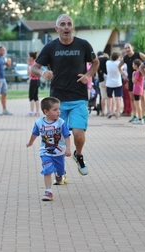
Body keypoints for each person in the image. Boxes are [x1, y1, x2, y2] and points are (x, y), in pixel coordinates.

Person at [31, 14, 99, 176]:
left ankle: (79, 155)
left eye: (69, 24)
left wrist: (87, 75)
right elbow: (34, 68)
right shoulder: (50, 47)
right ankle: (58, 170)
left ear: (72, 27)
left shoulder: (83, 45)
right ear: (57, 28)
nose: (66, 27)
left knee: (78, 134)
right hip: (57, 99)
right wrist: (42, 72)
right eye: (63, 24)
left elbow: (95, 62)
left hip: (78, 97)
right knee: (55, 138)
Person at [26, 97, 71, 201]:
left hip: (59, 152)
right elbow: (34, 134)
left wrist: (68, 149)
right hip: (45, 152)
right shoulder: (39, 123)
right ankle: (48, 191)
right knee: (48, 169)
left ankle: (59, 176)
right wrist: (30, 143)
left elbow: (67, 136)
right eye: (55, 110)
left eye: (59, 109)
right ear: (46, 112)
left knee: (59, 171)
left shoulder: (61, 123)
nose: (58, 112)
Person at [118, 43, 145, 122]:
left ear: (132, 47)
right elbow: (119, 67)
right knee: (132, 98)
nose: (127, 49)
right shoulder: (125, 58)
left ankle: (144, 116)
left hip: (140, 80)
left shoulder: (138, 54)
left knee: (143, 97)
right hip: (131, 79)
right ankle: (135, 115)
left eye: (128, 47)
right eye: (125, 48)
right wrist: (124, 75)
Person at [105, 52, 122, 118]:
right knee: (118, 98)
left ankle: (109, 111)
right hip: (118, 82)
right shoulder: (119, 63)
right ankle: (117, 112)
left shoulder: (108, 63)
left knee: (110, 97)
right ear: (118, 57)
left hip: (109, 82)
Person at [26, 52, 40, 116]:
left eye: (29, 56)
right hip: (37, 81)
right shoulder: (36, 64)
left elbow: (29, 73)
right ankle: (37, 111)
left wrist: (28, 65)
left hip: (33, 81)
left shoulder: (32, 65)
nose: (28, 58)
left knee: (31, 97)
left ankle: (31, 111)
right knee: (36, 97)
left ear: (31, 57)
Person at [131, 59, 145, 124]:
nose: (132, 66)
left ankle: (140, 118)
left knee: (137, 104)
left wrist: (132, 75)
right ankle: (139, 117)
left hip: (137, 89)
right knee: (138, 104)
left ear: (136, 65)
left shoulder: (137, 72)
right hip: (140, 89)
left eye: (133, 64)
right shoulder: (141, 72)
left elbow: (134, 81)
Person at [96, 51, 109, 116]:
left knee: (103, 96)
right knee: (109, 97)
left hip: (101, 80)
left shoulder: (97, 61)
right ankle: (109, 111)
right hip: (108, 80)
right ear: (103, 54)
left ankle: (103, 111)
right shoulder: (107, 59)